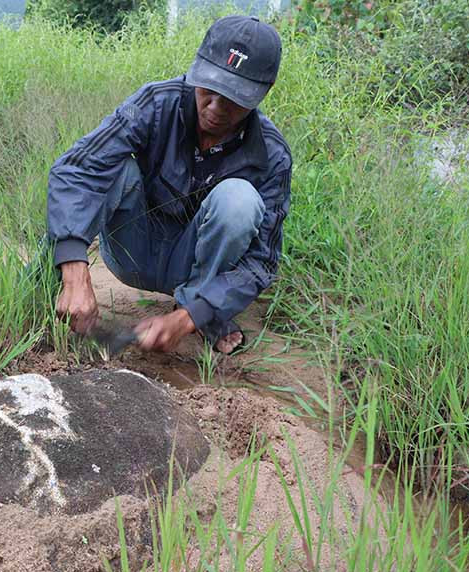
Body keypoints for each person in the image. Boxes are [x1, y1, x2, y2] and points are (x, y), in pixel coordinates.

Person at [48, 15, 292, 354]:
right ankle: (48, 295)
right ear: (197, 68)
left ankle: (201, 312)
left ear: (263, 92)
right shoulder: (156, 103)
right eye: (209, 88)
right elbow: (76, 170)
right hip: (132, 249)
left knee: (240, 200)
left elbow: (260, 262)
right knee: (116, 167)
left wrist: (192, 315)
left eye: (234, 98)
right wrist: (75, 271)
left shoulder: (272, 154)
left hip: (193, 267)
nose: (216, 108)